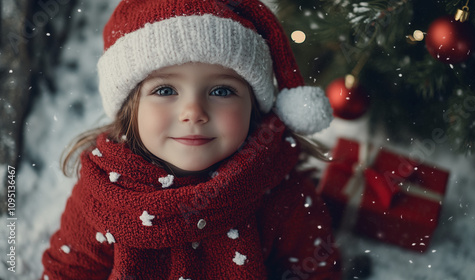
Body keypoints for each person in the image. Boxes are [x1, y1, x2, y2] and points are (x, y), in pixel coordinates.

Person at [41, 0, 342, 279]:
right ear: (130, 109)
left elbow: (315, 269)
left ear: (253, 108)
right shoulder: (103, 193)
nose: (193, 112)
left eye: (221, 91)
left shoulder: (279, 189)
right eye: (165, 90)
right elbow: (67, 272)